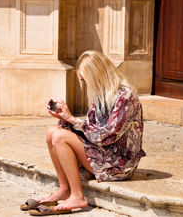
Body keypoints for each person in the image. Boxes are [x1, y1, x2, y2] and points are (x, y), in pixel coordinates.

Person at [31, 50, 146, 215]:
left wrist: (72, 119)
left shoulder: (126, 96)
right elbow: (89, 129)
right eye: (83, 80)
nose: (85, 84)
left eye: (86, 79)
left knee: (59, 136)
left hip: (118, 164)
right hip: (103, 153)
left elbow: (107, 135)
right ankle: (65, 189)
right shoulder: (100, 96)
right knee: (52, 132)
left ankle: (78, 196)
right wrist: (64, 119)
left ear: (98, 75)